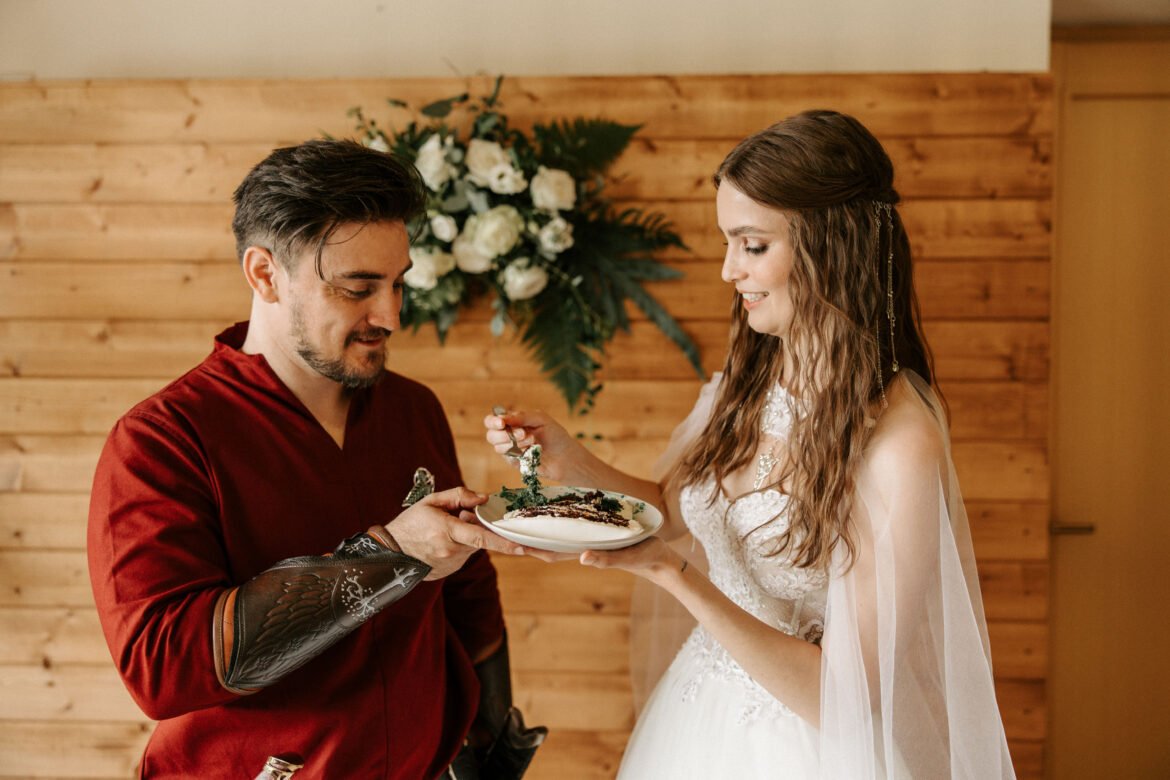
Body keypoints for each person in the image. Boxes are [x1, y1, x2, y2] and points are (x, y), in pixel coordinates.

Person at [485, 110, 1016, 778]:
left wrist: (674, 577)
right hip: (695, 719)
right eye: (728, 243)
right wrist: (569, 458)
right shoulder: (749, 378)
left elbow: (844, 702)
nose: (728, 270)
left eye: (752, 245)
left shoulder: (899, 441)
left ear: (832, 247)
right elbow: (672, 510)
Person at [88, 139, 542, 779]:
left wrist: (493, 740)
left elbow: (468, 591)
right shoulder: (161, 440)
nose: (390, 315)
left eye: (397, 283)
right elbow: (161, 669)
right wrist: (390, 555)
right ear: (265, 274)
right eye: (358, 288)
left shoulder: (413, 408)